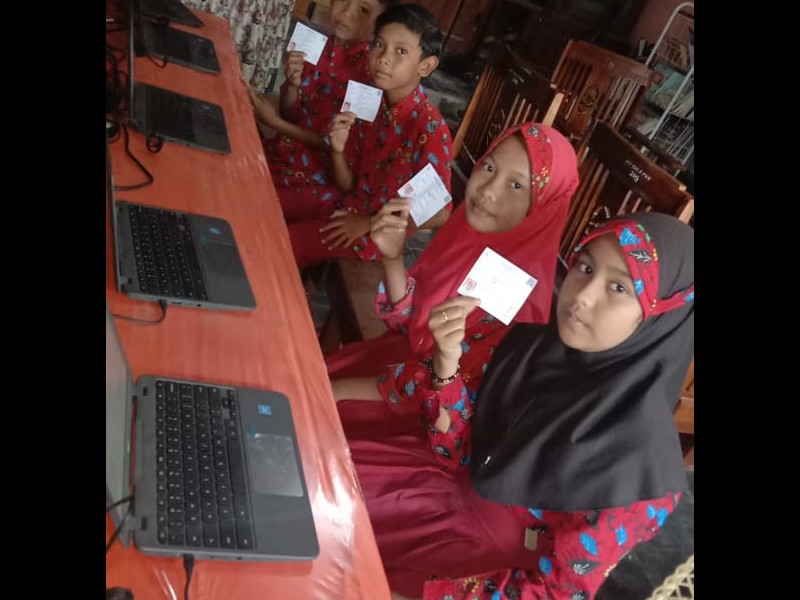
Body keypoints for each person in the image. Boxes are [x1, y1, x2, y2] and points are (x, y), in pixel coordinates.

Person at [346, 211, 695, 599]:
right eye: (585, 267)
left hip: (472, 574)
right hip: (422, 492)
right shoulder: (527, 350)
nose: (582, 295)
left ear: (663, 315)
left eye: (619, 288)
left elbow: (552, 592)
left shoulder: (640, 473)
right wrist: (446, 368)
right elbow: (456, 455)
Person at [327, 122, 579, 440]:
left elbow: (438, 394)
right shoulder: (468, 237)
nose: (488, 190)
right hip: (392, 364)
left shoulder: (518, 301)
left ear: (544, 204)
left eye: (516, 185)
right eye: (489, 167)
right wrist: (393, 258)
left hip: (416, 418)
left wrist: (337, 391)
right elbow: (410, 324)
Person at [287, 4, 454, 269]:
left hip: (372, 236)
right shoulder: (371, 103)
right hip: (345, 205)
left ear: (426, 65)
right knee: (271, 205)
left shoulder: (429, 129)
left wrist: (370, 222)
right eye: (379, 44)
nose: (384, 58)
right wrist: (338, 151)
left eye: (401, 51)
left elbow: (441, 213)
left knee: (284, 244)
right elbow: (348, 185)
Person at [248, 0, 400, 222]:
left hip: (319, 177)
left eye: (363, 10)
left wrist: (274, 122)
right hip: (285, 151)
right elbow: (292, 115)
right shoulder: (316, 46)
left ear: (381, 23)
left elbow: (338, 146)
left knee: (254, 202)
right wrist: (293, 84)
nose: (346, 13)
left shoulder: (371, 75)